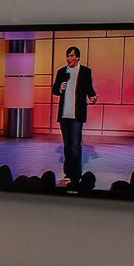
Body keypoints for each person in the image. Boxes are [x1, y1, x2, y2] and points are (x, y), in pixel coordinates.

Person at [51, 45, 97, 183]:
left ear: (77, 57)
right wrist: (60, 88)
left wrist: (93, 97)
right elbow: (54, 90)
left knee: (75, 145)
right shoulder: (61, 72)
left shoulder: (85, 71)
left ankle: (76, 174)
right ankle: (68, 172)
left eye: (71, 56)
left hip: (77, 114)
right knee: (67, 145)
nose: (69, 58)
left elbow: (89, 89)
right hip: (64, 114)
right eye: (67, 56)